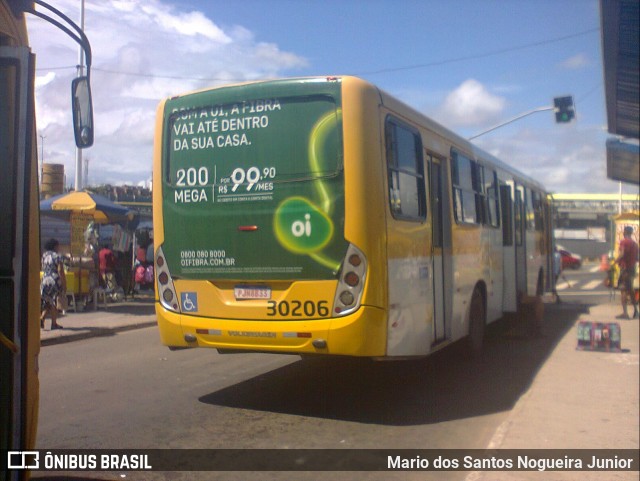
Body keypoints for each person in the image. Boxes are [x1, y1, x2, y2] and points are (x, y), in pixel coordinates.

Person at [40, 238, 66, 330]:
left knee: (47, 301)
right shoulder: (57, 256)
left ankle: (42, 318)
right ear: (55, 246)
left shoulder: (44, 255)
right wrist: (64, 284)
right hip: (54, 280)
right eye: (58, 246)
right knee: (54, 302)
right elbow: (60, 270)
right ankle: (54, 324)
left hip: (44, 280)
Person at [615, 226, 639, 319]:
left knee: (623, 290)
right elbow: (637, 258)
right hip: (632, 268)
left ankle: (625, 313)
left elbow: (622, 254)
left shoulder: (624, 242)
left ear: (625, 232)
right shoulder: (635, 244)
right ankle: (636, 311)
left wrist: (615, 262)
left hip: (625, 269)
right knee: (631, 290)